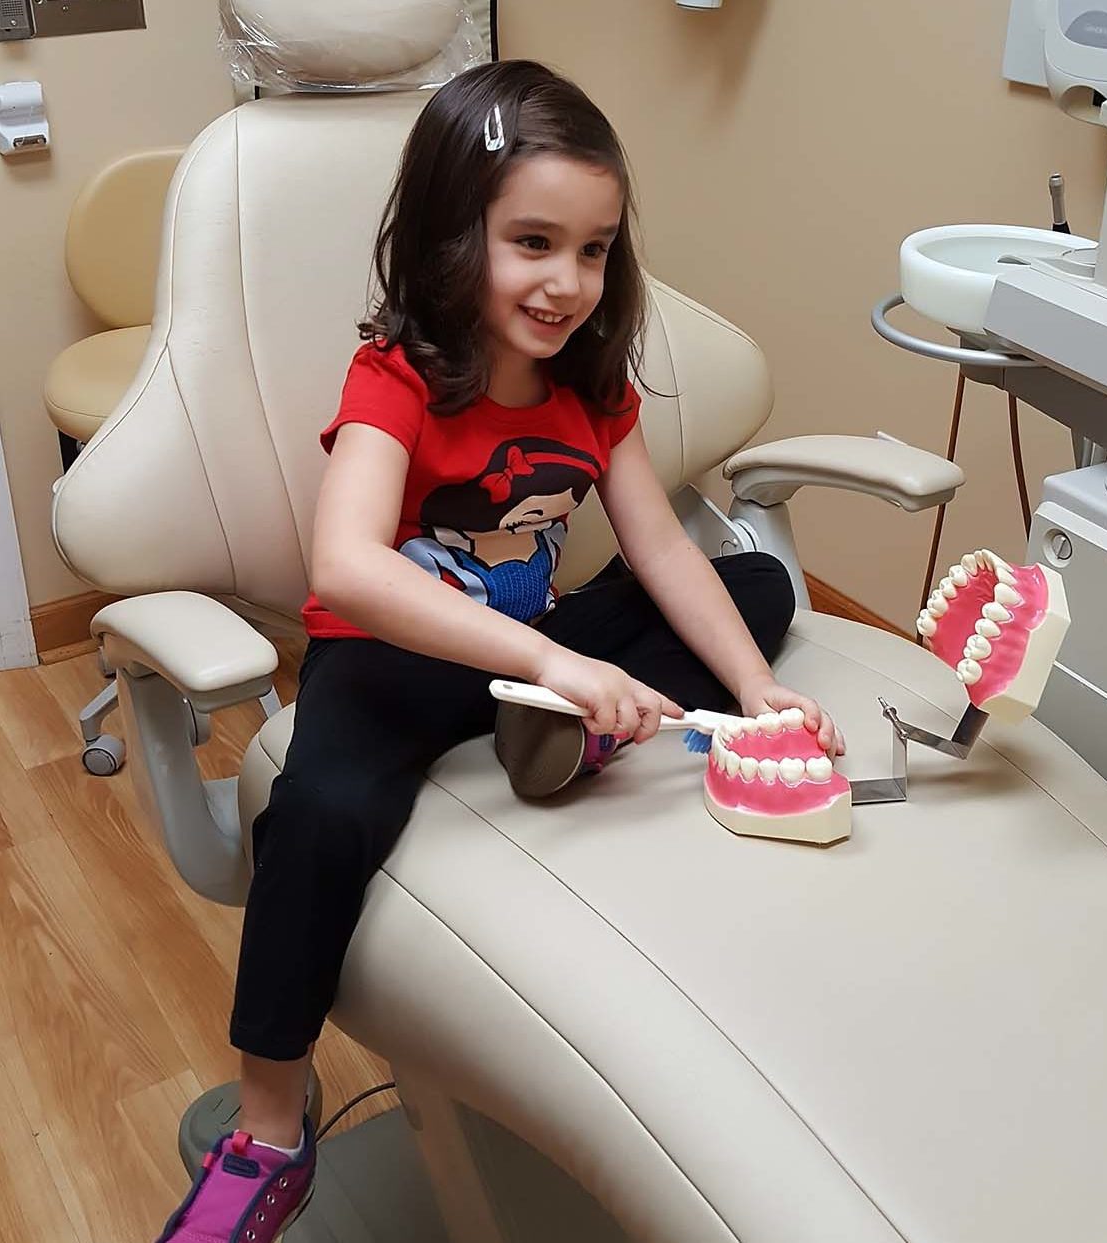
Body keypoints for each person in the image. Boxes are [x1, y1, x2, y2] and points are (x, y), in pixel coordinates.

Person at [155, 58, 843, 1243]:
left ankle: (558, 733)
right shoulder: (397, 379)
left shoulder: (594, 388)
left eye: (593, 249)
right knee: (313, 817)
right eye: (533, 241)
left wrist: (759, 689)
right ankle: (270, 1120)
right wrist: (572, 672)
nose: (566, 281)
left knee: (755, 581)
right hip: (389, 661)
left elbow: (665, 555)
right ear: (449, 235)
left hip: (527, 657)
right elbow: (349, 569)